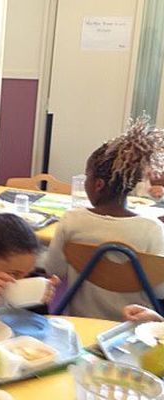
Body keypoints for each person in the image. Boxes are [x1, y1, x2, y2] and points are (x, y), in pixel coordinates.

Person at [44, 117, 164, 321]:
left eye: (87, 177)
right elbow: (160, 291)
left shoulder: (72, 220)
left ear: (98, 184)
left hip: (80, 323)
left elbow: (53, 270)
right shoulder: (152, 229)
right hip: (132, 329)